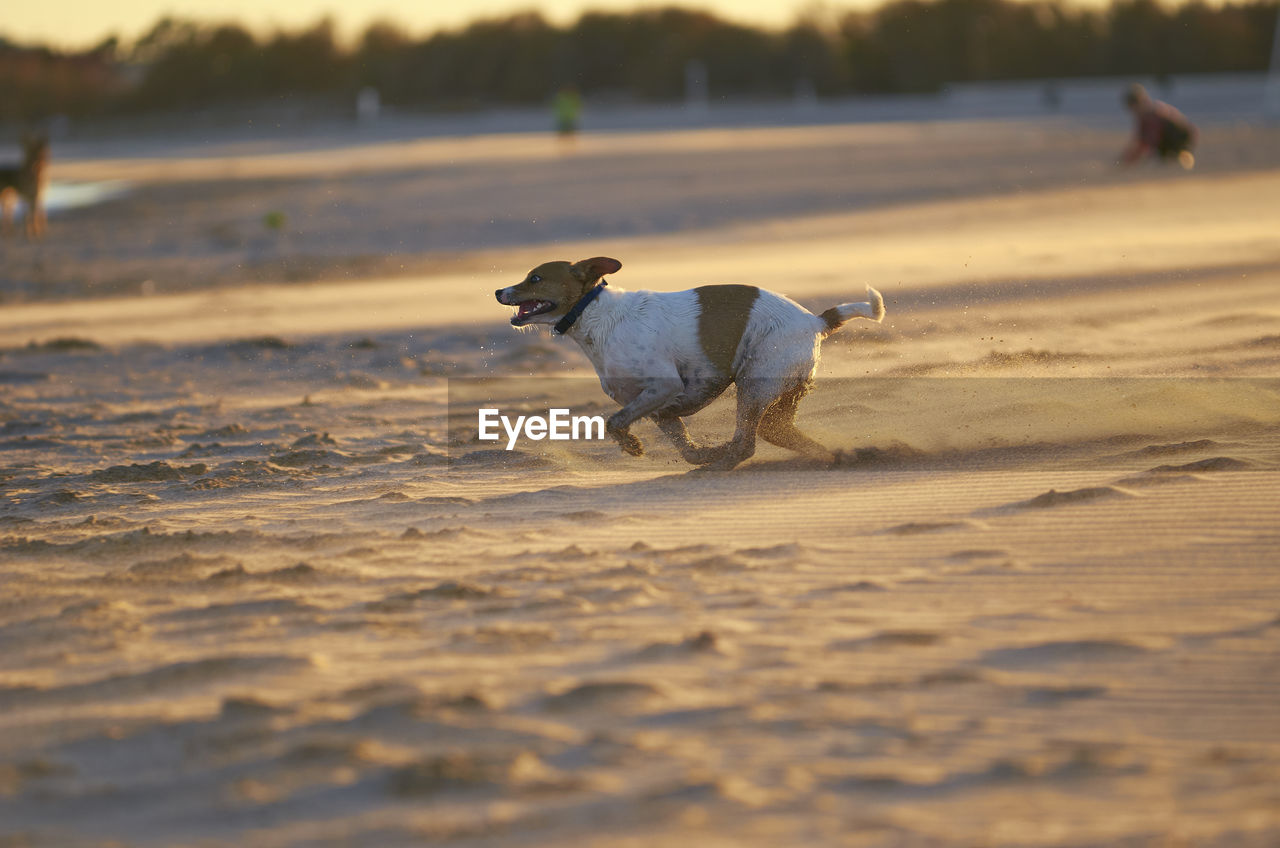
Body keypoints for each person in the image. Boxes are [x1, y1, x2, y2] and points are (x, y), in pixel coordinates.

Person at [1119, 83, 1197, 170]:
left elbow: (1147, 142)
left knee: (1159, 146)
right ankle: (1177, 155)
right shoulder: (1146, 115)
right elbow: (1140, 141)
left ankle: (1180, 154)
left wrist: (1128, 160)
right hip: (1178, 137)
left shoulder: (1152, 114)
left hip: (1180, 138)